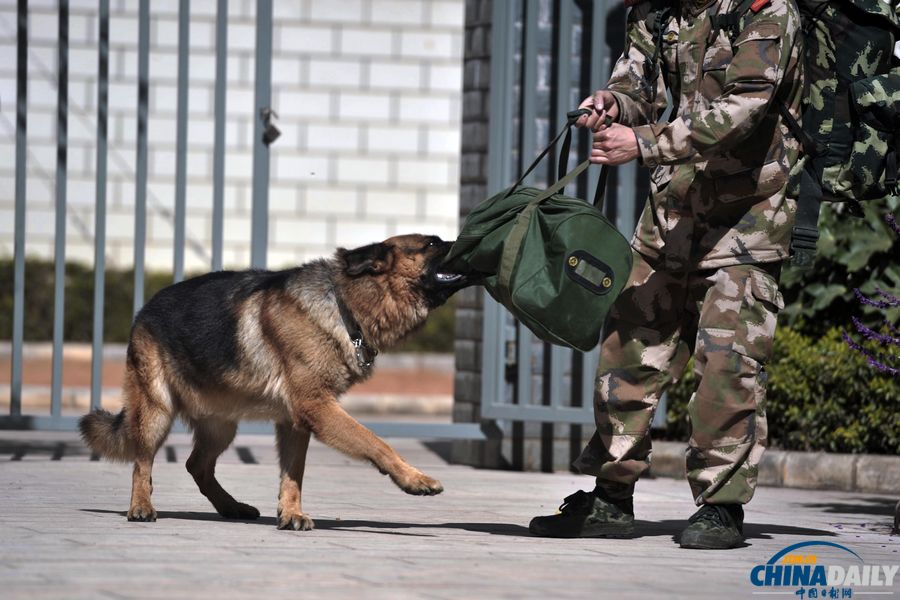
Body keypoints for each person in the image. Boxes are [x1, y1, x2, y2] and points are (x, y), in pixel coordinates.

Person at [529, 0, 804, 549]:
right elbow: (638, 90)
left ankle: (721, 506)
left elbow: (747, 104)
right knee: (627, 354)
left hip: (745, 221)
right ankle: (610, 498)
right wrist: (613, 105)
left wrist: (646, 144)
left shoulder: (766, 10)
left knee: (727, 365)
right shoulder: (655, 12)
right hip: (670, 217)